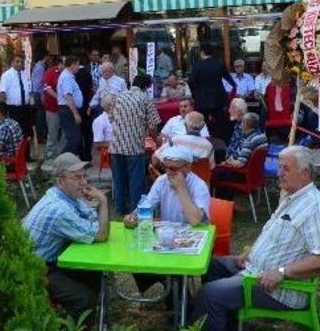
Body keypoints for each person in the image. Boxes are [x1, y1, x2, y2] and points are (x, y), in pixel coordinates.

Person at [191, 145, 320, 331]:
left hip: (278, 287)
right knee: (209, 265)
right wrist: (252, 251)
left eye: (285, 168)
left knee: (210, 294)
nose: (278, 173)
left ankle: (199, 316)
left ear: (305, 173)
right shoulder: (293, 197)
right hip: (254, 269)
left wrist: (282, 272)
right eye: (279, 167)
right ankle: (222, 321)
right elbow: (278, 237)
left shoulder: (318, 208)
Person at [22, 153, 109, 322]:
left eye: (84, 176)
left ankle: (94, 320)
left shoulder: (61, 195)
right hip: (34, 270)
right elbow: (101, 234)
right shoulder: (58, 209)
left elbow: (89, 217)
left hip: (47, 262)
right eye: (77, 177)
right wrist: (104, 202)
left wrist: (92, 207)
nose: (83, 182)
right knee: (84, 299)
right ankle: (71, 322)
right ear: (60, 181)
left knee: (93, 272)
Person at [126, 146, 210, 302]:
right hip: (167, 238)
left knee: (174, 270)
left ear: (188, 167)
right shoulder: (161, 181)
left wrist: (181, 188)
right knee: (137, 255)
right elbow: (146, 207)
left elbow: (195, 220)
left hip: (192, 241)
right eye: (165, 167)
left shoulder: (199, 186)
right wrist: (133, 217)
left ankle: (176, 297)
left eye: (174, 168)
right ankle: (168, 285)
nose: (169, 172)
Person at [110, 75, 161, 215]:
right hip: (134, 147)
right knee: (135, 182)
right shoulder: (144, 99)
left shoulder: (118, 97)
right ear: (146, 87)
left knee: (119, 181)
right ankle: (135, 211)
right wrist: (155, 139)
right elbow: (153, 125)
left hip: (116, 146)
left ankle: (120, 210)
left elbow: (111, 118)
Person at [189, 46, 235, 139]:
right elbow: (230, 81)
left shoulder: (197, 66)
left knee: (202, 123)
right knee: (221, 124)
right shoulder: (219, 64)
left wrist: (195, 94)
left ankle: (203, 141)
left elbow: (191, 82)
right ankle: (222, 142)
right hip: (218, 99)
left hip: (202, 100)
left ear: (202, 53)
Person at [0, 55, 32, 137]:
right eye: (17, 62)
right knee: (15, 133)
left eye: (21, 62)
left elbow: (29, 90)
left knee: (25, 133)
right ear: (12, 62)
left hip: (25, 108)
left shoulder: (25, 75)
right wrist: (2, 110)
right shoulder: (6, 75)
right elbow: (3, 93)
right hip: (13, 109)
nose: (20, 64)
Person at [57, 56, 84, 155]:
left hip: (69, 110)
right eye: (77, 65)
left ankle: (70, 162)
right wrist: (75, 114)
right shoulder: (66, 77)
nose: (79, 67)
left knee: (76, 138)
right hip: (67, 110)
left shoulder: (68, 76)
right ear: (72, 65)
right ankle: (61, 162)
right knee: (74, 139)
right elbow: (68, 96)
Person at [43, 56, 64, 160]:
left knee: (65, 131)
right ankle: (51, 151)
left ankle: (62, 152)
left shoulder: (67, 73)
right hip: (52, 107)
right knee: (53, 130)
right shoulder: (51, 71)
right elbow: (47, 88)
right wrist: (59, 98)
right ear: (59, 63)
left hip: (64, 108)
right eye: (63, 64)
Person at [32, 55, 49, 142]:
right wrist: (42, 95)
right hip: (39, 93)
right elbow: (39, 83)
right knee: (41, 115)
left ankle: (41, 135)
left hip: (37, 93)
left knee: (41, 114)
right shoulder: (40, 68)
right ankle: (40, 136)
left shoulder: (36, 66)